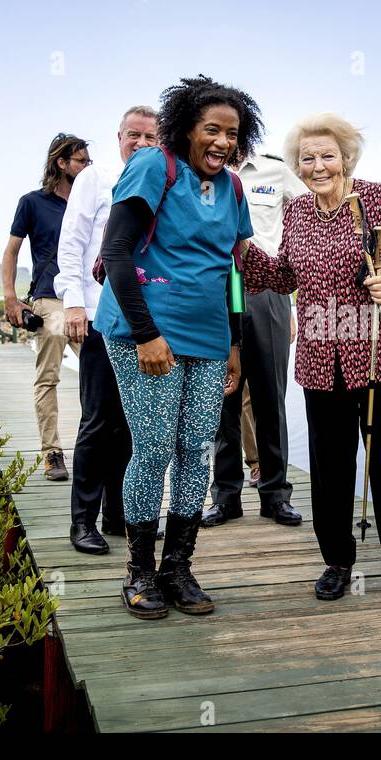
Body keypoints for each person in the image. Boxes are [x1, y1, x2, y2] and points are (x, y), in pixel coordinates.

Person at [241, 113, 381, 610]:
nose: (318, 165)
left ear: (346, 158)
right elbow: (284, 276)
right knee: (329, 469)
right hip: (320, 357)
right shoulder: (299, 212)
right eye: (307, 158)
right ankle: (337, 562)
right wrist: (241, 250)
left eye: (328, 155)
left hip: (379, 353)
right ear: (297, 166)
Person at [94, 75, 260, 619]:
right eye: (211, 129)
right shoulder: (153, 166)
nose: (222, 142)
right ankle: (139, 571)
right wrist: (146, 333)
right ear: (187, 127)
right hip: (146, 330)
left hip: (209, 336)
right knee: (155, 447)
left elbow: (232, 270)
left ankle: (178, 567)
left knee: (196, 448)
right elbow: (117, 253)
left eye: (232, 133)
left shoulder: (233, 188)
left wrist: (234, 342)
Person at [54, 106, 159, 554]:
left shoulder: (159, 181)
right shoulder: (94, 180)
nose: (140, 143)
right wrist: (73, 304)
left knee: (132, 423)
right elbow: (73, 243)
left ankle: (119, 514)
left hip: (143, 324)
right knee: (98, 421)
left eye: (150, 138)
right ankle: (84, 521)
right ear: (118, 137)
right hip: (100, 316)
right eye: (132, 135)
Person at [202, 151, 310, 529]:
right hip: (213, 291)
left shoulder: (275, 170)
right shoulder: (198, 170)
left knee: (270, 398)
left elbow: (312, 213)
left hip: (267, 289)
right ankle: (226, 497)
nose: (224, 138)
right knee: (221, 399)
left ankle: (276, 495)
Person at [1, 133, 89, 481]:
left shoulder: (92, 202)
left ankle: (96, 449)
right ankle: (52, 453)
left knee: (105, 376)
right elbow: (11, 251)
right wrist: (10, 297)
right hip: (51, 300)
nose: (86, 167)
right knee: (48, 378)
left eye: (88, 161)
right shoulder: (32, 202)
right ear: (61, 163)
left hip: (87, 302)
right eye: (80, 161)